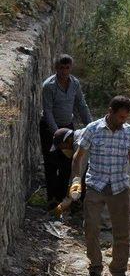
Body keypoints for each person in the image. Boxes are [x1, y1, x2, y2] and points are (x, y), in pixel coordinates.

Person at [69, 96, 130, 276]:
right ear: (110, 111)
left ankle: (118, 273)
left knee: (123, 232)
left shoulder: (129, 132)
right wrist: (76, 181)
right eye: (119, 117)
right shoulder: (92, 129)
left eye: (125, 118)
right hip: (95, 184)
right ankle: (95, 267)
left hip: (119, 186)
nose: (122, 121)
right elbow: (78, 157)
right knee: (91, 227)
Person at [40, 54, 92, 208]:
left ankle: (62, 197)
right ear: (56, 68)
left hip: (68, 127)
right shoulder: (49, 86)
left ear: (71, 68)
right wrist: (57, 134)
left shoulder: (74, 83)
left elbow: (81, 105)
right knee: (51, 163)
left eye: (67, 68)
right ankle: (51, 199)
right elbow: (48, 111)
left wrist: (91, 127)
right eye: (61, 68)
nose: (64, 71)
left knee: (67, 163)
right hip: (50, 128)